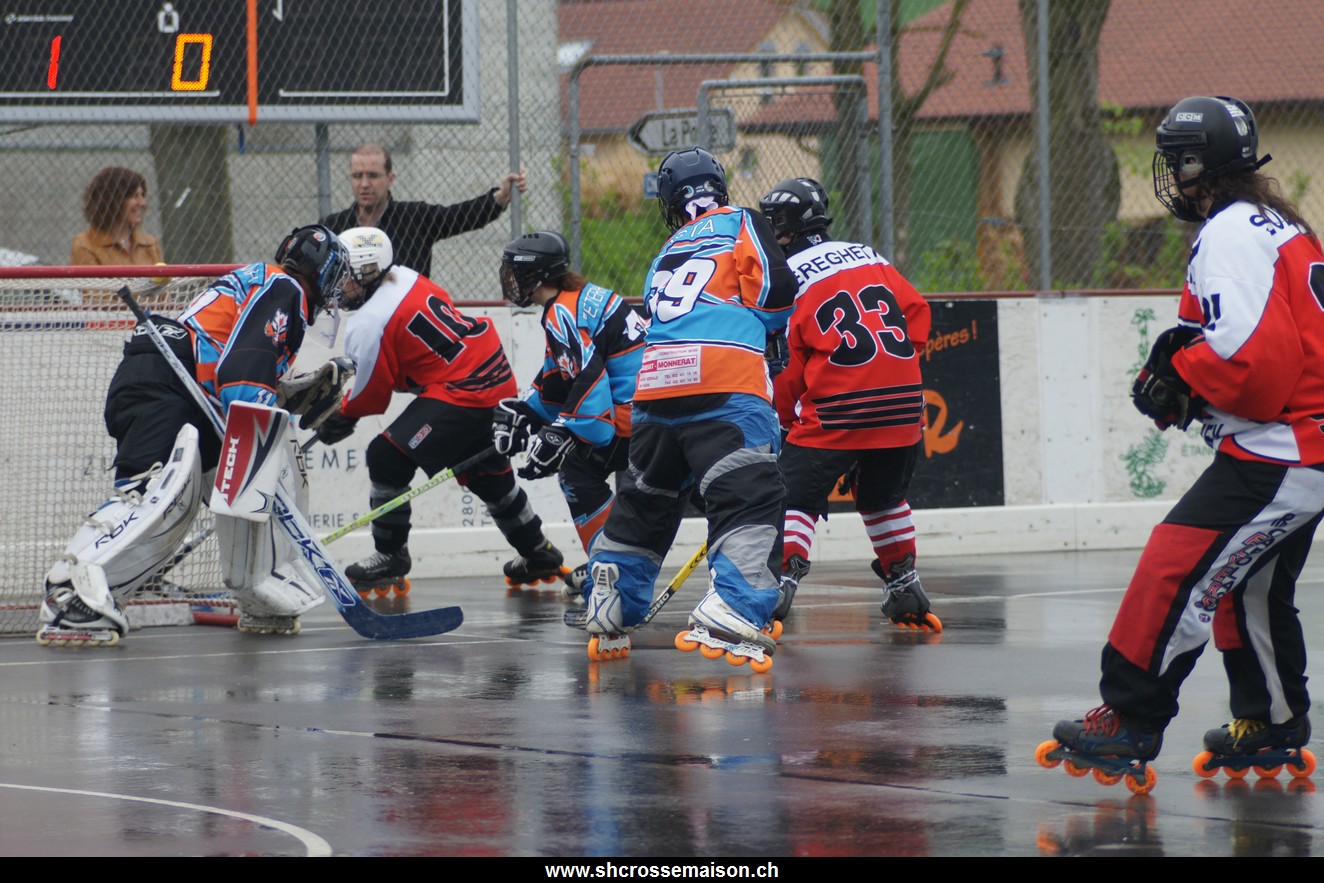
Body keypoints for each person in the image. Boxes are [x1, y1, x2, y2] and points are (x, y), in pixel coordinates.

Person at [1047, 96, 1324, 783]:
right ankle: (1273, 720)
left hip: (1283, 448)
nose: (1170, 174)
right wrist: (1189, 374)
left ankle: (1128, 718)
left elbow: (1252, 364)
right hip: (1305, 441)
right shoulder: (1279, 223)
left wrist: (1182, 371)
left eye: (1176, 161)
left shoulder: (1228, 231)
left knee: (1174, 567)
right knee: (1248, 586)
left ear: (1199, 165)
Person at [40, 225, 354, 645]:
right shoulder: (285, 289)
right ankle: (69, 590)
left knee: (187, 501)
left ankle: (259, 586)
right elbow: (241, 374)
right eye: (336, 278)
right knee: (153, 493)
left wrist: (289, 394)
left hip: (187, 388)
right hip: (169, 381)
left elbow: (230, 362)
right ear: (322, 269)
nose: (337, 291)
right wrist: (264, 417)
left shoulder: (271, 286)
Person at [578, 147, 796, 668]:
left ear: (671, 202)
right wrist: (771, 330)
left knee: (646, 498)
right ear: (718, 188)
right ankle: (736, 605)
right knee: (747, 491)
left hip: (656, 388)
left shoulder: (668, 249)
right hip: (725, 378)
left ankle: (611, 592)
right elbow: (775, 288)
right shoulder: (743, 220)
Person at [316, 227, 569, 594]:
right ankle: (538, 552)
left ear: (369, 271)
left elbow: (372, 396)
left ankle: (390, 555)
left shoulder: (366, 322)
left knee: (386, 456)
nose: (339, 285)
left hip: (466, 389)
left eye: (345, 276)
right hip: (491, 374)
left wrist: (343, 415)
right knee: (489, 478)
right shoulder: (404, 275)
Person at [759, 177, 940, 634]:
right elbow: (917, 311)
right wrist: (894, 368)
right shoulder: (868, 255)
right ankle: (905, 585)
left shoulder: (784, 277)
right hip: (904, 402)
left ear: (785, 228)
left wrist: (784, 422)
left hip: (840, 404)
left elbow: (788, 364)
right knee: (884, 498)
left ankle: (779, 584)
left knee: (791, 494)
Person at [492, 231, 647, 595]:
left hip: (639, 414)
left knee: (577, 471)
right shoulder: (574, 299)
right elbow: (562, 374)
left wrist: (562, 429)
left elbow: (589, 381)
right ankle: (611, 561)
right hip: (648, 405)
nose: (510, 280)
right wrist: (528, 410)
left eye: (514, 272)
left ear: (535, 275)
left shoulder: (561, 312)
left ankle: (610, 567)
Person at [319, 142, 527, 280]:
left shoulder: (415, 217)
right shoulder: (333, 227)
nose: (364, 184)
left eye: (372, 175)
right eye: (357, 176)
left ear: (390, 178)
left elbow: (461, 216)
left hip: (407, 317)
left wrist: (500, 197)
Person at [70, 166, 164, 266]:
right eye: (135, 196)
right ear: (113, 200)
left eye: (142, 195)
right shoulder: (86, 245)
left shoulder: (150, 244)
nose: (143, 203)